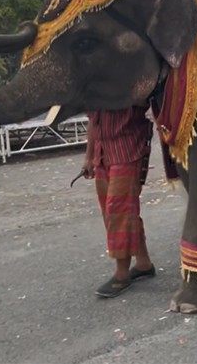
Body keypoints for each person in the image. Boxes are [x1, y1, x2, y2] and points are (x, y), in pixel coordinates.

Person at [83, 105, 157, 298]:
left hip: (128, 150)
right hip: (103, 154)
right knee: (111, 211)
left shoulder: (131, 79)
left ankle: (122, 274)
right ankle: (143, 263)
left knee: (119, 211)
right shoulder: (95, 84)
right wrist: (89, 157)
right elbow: (93, 120)